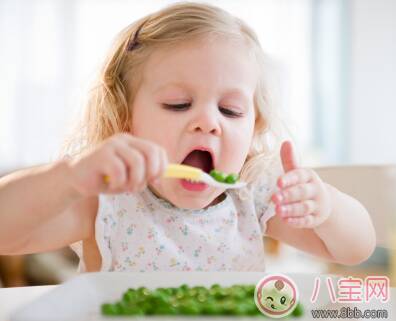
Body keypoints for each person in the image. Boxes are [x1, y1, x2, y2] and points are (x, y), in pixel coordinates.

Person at [0, 2, 375, 272]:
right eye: (178, 104)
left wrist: (326, 206)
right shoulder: (109, 202)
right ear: (126, 119)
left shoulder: (251, 196)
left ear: (254, 128)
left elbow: (356, 250)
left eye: (230, 111)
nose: (208, 123)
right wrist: (68, 177)